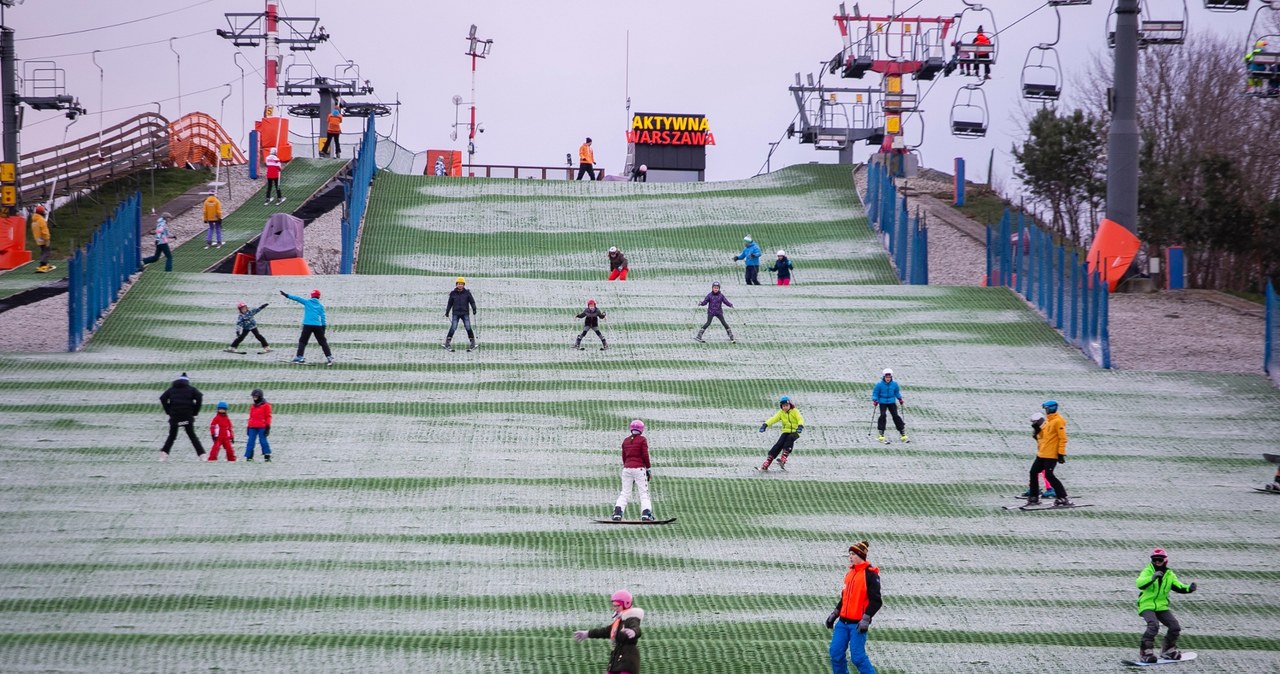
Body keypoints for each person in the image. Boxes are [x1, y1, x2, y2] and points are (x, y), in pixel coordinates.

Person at [826, 540, 882, 674]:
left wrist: (866, 618)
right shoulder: (850, 574)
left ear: (861, 556)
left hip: (857, 625)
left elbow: (876, 601)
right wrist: (835, 614)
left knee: (857, 658)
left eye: (853, 554)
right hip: (842, 623)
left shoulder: (870, 575)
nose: (850, 557)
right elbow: (844, 598)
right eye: (849, 554)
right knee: (835, 653)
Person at [1135, 547, 1197, 663]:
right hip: (1146, 605)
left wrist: (1189, 588)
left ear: (1165, 561)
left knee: (1175, 627)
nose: (1157, 562)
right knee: (1153, 626)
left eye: (1160, 560)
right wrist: (1152, 578)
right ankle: (1145, 652)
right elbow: (1139, 583)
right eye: (1154, 560)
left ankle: (1168, 651)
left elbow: (1178, 586)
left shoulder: (1169, 574)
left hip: (1161, 606)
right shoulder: (1148, 571)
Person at [573, 589, 644, 674]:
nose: (615, 608)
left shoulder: (631, 618)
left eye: (617, 606)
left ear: (627, 604)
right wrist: (588, 633)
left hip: (628, 660)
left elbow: (636, 628)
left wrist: (633, 632)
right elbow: (606, 631)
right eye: (614, 606)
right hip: (617, 659)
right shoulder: (619, 621)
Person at [1026, 400, 1071, 506]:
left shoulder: (1058, 421)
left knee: (1049, 475)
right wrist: (1037, 432)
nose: (1045, 411)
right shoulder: (1049, 421)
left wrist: (1061, 453)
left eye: (1046, 409)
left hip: (1051, 455)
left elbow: (1063, 438)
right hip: (1042, 454)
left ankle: (1063, 497)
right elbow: (1045, 437)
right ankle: (1034, 496)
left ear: (1051, 408)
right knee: (1033, 472)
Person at [611, 419, 654, 521]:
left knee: (625, 493)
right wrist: (648, 468)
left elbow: (624, 457)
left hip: (626, 469)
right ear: (641, 429)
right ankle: (646, 514)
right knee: (643, 493)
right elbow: (645, 455)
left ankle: (617, 513)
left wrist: (627, 466)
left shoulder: (625, 441)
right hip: (639, 469)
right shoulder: (642, 440)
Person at [158, 372, 205, 461]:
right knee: (192, 436)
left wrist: (168, 410)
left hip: (175, 416)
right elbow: (199, 396)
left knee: (172, 436)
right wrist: (195, 411)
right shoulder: (191, 389)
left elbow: (162, 398)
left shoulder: (171, 390)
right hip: (187, 416)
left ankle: (163, 455)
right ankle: (202, 455)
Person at [280, 288, 332, 366]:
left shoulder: (307, 302)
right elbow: (323, 317)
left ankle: (300, 357)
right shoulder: (320, 306)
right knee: (323, 342)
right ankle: (329, 357)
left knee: (303, 341)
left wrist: (286, 295)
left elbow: (297, 298)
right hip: (318, 326)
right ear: (319, 297)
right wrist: (323, 327)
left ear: (311, 296)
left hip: (307, 325)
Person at [758, 395, 805, 471]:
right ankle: (767, 462)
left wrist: (800, 426)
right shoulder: (781, 413)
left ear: (790, 405)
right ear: (781, 406)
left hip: (795, 431)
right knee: (778, 444)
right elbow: (774, 419)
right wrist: (765, 425)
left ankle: (784, 458)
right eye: (783, 406)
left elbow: (800, 418)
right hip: (786, 431)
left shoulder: (795, 411)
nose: (785, 407)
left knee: (789, 439)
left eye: (787, 405)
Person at [1020, 413, 1057, 499]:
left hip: (1048, 454)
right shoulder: (1039, 428)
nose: (1033, 424)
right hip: (1042, 453)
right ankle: (1035, 489)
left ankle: (1050, 489)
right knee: (1034, 471)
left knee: (1045, 472)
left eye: (1035, 422)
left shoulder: (1046, 428)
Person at [871, 369, 907, 444]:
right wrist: (875, 400)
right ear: (884, 377)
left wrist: (900, 399)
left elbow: (896, 392)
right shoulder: (879, 384)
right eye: (887, 377)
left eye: (889, 377)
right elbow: (875, 393)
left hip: (891, 402)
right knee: (883, 415)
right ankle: (881, 433)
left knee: (895, 416)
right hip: (882, 402)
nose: (888, 379)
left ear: (891, 377)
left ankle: (902, 432)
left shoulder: (894, 384)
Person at [442, 277, 477, 352]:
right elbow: (450, 303)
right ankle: (447, 343)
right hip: (456, 313)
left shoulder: (467, 293)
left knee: (468, 327)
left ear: (464, 285)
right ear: (456, 285)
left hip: (465, 313)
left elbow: (472, 301)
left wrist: (474, 308)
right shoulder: (453, 293)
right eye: (458, 284)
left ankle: (472, 342)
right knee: (453, 327)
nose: (460, 285)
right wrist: (447, 312)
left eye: (461, 284)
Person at [244, 388, 273, 462]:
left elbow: (268, 416)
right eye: (253, 397)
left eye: (256, 397)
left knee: (263, 441)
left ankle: (267, 455)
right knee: (250, 442)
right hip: (252, 427)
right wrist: (248, 427)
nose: (254, 398)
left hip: (262, 427)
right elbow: (251, 417)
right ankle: (249, 456)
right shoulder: (253, 406)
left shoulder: (266, 405)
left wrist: (268, 426)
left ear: (260, 396)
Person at [29, 204, 53, 273]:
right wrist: (47, 239)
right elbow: (44, 230)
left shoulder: (34, 220)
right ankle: (43, 264)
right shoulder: (41, 220)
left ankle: (43, 263)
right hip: (43, 239)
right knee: (47, 251)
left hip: (38, 239)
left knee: (43, 251)